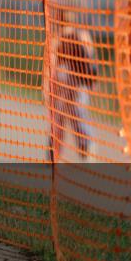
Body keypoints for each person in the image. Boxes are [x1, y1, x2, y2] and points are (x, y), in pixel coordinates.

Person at [49, 19, 98, 162]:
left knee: (75, 116)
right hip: (66, 81)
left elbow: (89, 63)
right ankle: (55, 151)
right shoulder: (62, 36)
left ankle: (85, 149)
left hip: (75, 82)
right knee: (62, 117)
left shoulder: (77, 36)